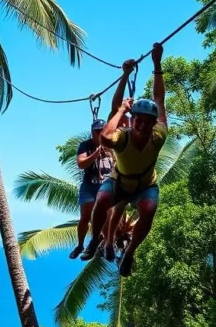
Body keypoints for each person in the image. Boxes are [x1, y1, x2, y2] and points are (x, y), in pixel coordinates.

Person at [81, 43, 167, 277]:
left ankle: (128, 253)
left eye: (146, 121)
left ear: (152, 124)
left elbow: (159, 99)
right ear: (132, 119)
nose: (141, 125)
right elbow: (106, 136)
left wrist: (157, 64)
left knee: (149, 209)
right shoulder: (120, 134)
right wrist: (122, 105)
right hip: (120, 180)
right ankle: (98, 241)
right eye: (137, 120)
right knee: (104, 199)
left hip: (145, 184)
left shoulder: (158, 135)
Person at [68, 119, 115, 259]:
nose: (100, 134)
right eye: (97, 132)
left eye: (103, 131)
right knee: (85, 217)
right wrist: (95, 154)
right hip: (89, 185)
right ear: (92, 133)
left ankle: (108, 244)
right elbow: (81, 164)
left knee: (107, 217)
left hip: (106, 185)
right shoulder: (85, 145)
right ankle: (80, 245)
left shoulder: (112, 145)